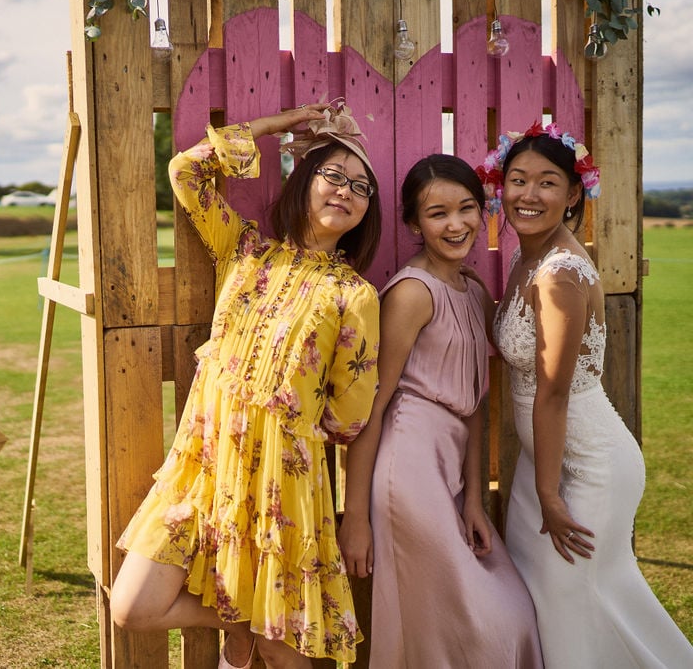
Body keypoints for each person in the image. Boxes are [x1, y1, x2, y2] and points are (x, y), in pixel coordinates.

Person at [109, 100, 383, 668]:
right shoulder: (246, 251)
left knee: (286, 660)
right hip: (205, 468)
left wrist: (287, 413)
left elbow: (349, 417)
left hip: (283, 488)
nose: (346, 192)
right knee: (132, 606)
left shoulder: (354, 296)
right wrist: (279, 125)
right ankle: (243, 613)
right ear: (304, 181)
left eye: (361, 187)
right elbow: (186, 172)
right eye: (334, 175)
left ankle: (261, 619)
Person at [481, 121, 693, 667]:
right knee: (554, 605)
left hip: (588, 468)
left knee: (577, 600)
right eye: (518, 179)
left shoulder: (559, 274)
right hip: (544, 465)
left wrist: (552, 498)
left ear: (574, 193)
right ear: (500, 186)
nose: (529, 194)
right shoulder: (527, 256)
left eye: (547, 182)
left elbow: (552, 395)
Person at [337, 154, 543, 668]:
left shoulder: (473, 289)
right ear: (413, 223)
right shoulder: (411, 294)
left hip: (449, 468)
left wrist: (475, 499)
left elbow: (473, 406)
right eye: (437, 214)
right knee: (484, 622)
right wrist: (356, 517)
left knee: (504, 615)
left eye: (467, 208)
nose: (456, 224)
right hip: (407, 469)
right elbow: (372, 409)